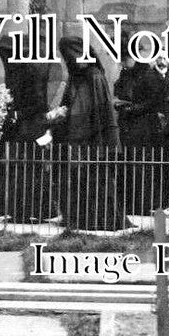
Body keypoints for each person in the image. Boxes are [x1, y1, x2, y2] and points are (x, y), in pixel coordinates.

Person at [51, 36, 124, 230]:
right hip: (79, 138)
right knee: (80, 179)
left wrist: (67, 114)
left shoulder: (93, 75)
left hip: (93, 137)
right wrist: (62, 112)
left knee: (96, 178)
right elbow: (72, 103)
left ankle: (98, 220)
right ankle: (80, 218)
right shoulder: (76, 76)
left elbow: (92, 109)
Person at [113, 47, 166, 148]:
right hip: (129, 121)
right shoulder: (126, 73)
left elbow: (155, 100)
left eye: (124, 60)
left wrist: (132, 107)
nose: (122, 64)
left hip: (144, 123)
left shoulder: (148, 74)